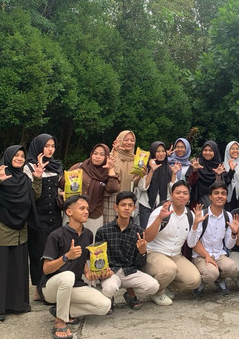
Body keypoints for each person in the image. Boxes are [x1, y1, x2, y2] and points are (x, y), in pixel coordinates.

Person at [0, 145, 43, 322]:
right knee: (0, 272)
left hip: (20, 232)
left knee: (17, 271)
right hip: (0, 233)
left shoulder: (23, 178)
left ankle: (17, 304)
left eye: (22, 156)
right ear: (8, 157)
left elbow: (33, 197)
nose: (20, 158)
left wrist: (37, 178)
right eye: (16, 155)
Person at [40, 195, 112, 339]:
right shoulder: (56, 235)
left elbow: (84, 260)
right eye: (82, 208)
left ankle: (63, 310)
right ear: (69, 212)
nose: (86, 211)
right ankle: (60, 322)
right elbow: (46, 269)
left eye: (87, 208)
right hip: (51, 287)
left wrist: (89, 273)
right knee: (68, 275)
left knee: (105, 305)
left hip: (74, 286)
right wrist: (66, 257)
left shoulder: (88, 234)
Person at [95, 191, 159, 311]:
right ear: (116, 207)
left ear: (134, 208)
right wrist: (104, 271)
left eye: (130, 205)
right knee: (110, 289)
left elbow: (139, 264)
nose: (126, 208)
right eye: (123, 205)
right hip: (111, 272)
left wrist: (142, 252)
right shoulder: (103, 231)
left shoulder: (139, 232)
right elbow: (98, 258)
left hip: (129, 272)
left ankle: (130, 294)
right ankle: (110, 297)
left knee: (153, 286)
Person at [144, 181, 202, 305]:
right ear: (171, 195)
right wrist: (159, 219)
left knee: (194, 281)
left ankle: (164, 284)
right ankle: (156, 292)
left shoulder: (190, 215)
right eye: (178, 192)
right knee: (169, 269)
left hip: (176, 255)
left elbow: (191, 243)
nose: (181, 195)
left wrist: (196, 224)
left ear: (188, 197)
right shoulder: (161, 211)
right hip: (154, 253)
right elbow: (147, 238)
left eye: (185, 193)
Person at [25, 134, 64, 301]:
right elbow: (30, 195)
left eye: (53, 146)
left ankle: (51, 286)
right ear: (38, 147)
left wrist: (62, 194)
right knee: (37, 252)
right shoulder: (28, 167)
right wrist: (38, 176)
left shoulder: (56, 165)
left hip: (55, 215)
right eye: (47, 145)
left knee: (54, 251)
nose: (50, 149)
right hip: (37, 216)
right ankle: (38, 288)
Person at [188, 181, 239, 296]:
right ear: (210, 197)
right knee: (211, 274)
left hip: (219, 254)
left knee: (232, 268)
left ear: (226, 197)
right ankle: (202, 281)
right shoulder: (201, 215)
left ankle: (220, 279)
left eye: (223, 193)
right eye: (216, 193)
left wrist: (234, 233)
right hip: (201, 255)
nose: (220, 196)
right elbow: (192, 243)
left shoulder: (228, 216)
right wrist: (195, 225)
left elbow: (228, 245)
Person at [62, 144, 119, 239]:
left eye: (101, 154)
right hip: (73, 213)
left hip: (94, 215)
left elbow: (112, 188)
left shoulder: (106, 172)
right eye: (95, 153)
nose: (97, 156)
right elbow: (62, 182)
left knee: (91, 244)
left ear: (106, 157)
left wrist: (111, 168)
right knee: (69, 241)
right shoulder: (80, 167)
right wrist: (70, 181)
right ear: (91, 154)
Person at [137, 141, 181, 229]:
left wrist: (174, 174)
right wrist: (151, 171)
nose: (161, 154)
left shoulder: (168, 169)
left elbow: (173, 189)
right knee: (145, 232)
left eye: (163, 151)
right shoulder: (146, 168)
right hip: (147, 206)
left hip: (164, 207)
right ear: (153, 153)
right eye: (158, 151)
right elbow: (143, 187)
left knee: (161, 233)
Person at [103, 130, 138, 225]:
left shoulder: (136, 159)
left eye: (132, 140)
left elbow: (135, 183)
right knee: (110, 227)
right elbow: (116, 173)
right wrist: (115, 152)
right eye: (126, 140)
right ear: (120, 140)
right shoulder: (110, 156)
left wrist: (141, 174)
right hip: (112, 198)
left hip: (127, 200)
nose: (129, 143)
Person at [187, 140, 225, 208]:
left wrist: (218, 175)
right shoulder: (196, 164)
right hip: (198, 202)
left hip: (216, 200)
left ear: (215, 152)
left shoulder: (219, 166)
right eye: (205, 150)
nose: (207, 153)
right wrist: (195, 171)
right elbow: (189, 184)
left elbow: (221, 186)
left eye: (210, 150)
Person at [223, 140, 239, 211]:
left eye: (237, 149)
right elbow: (224, 182)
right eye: (232, 149)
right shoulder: (223, 165)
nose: (235, 151)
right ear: (228, 151)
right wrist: (231, 171)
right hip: (228, 197)